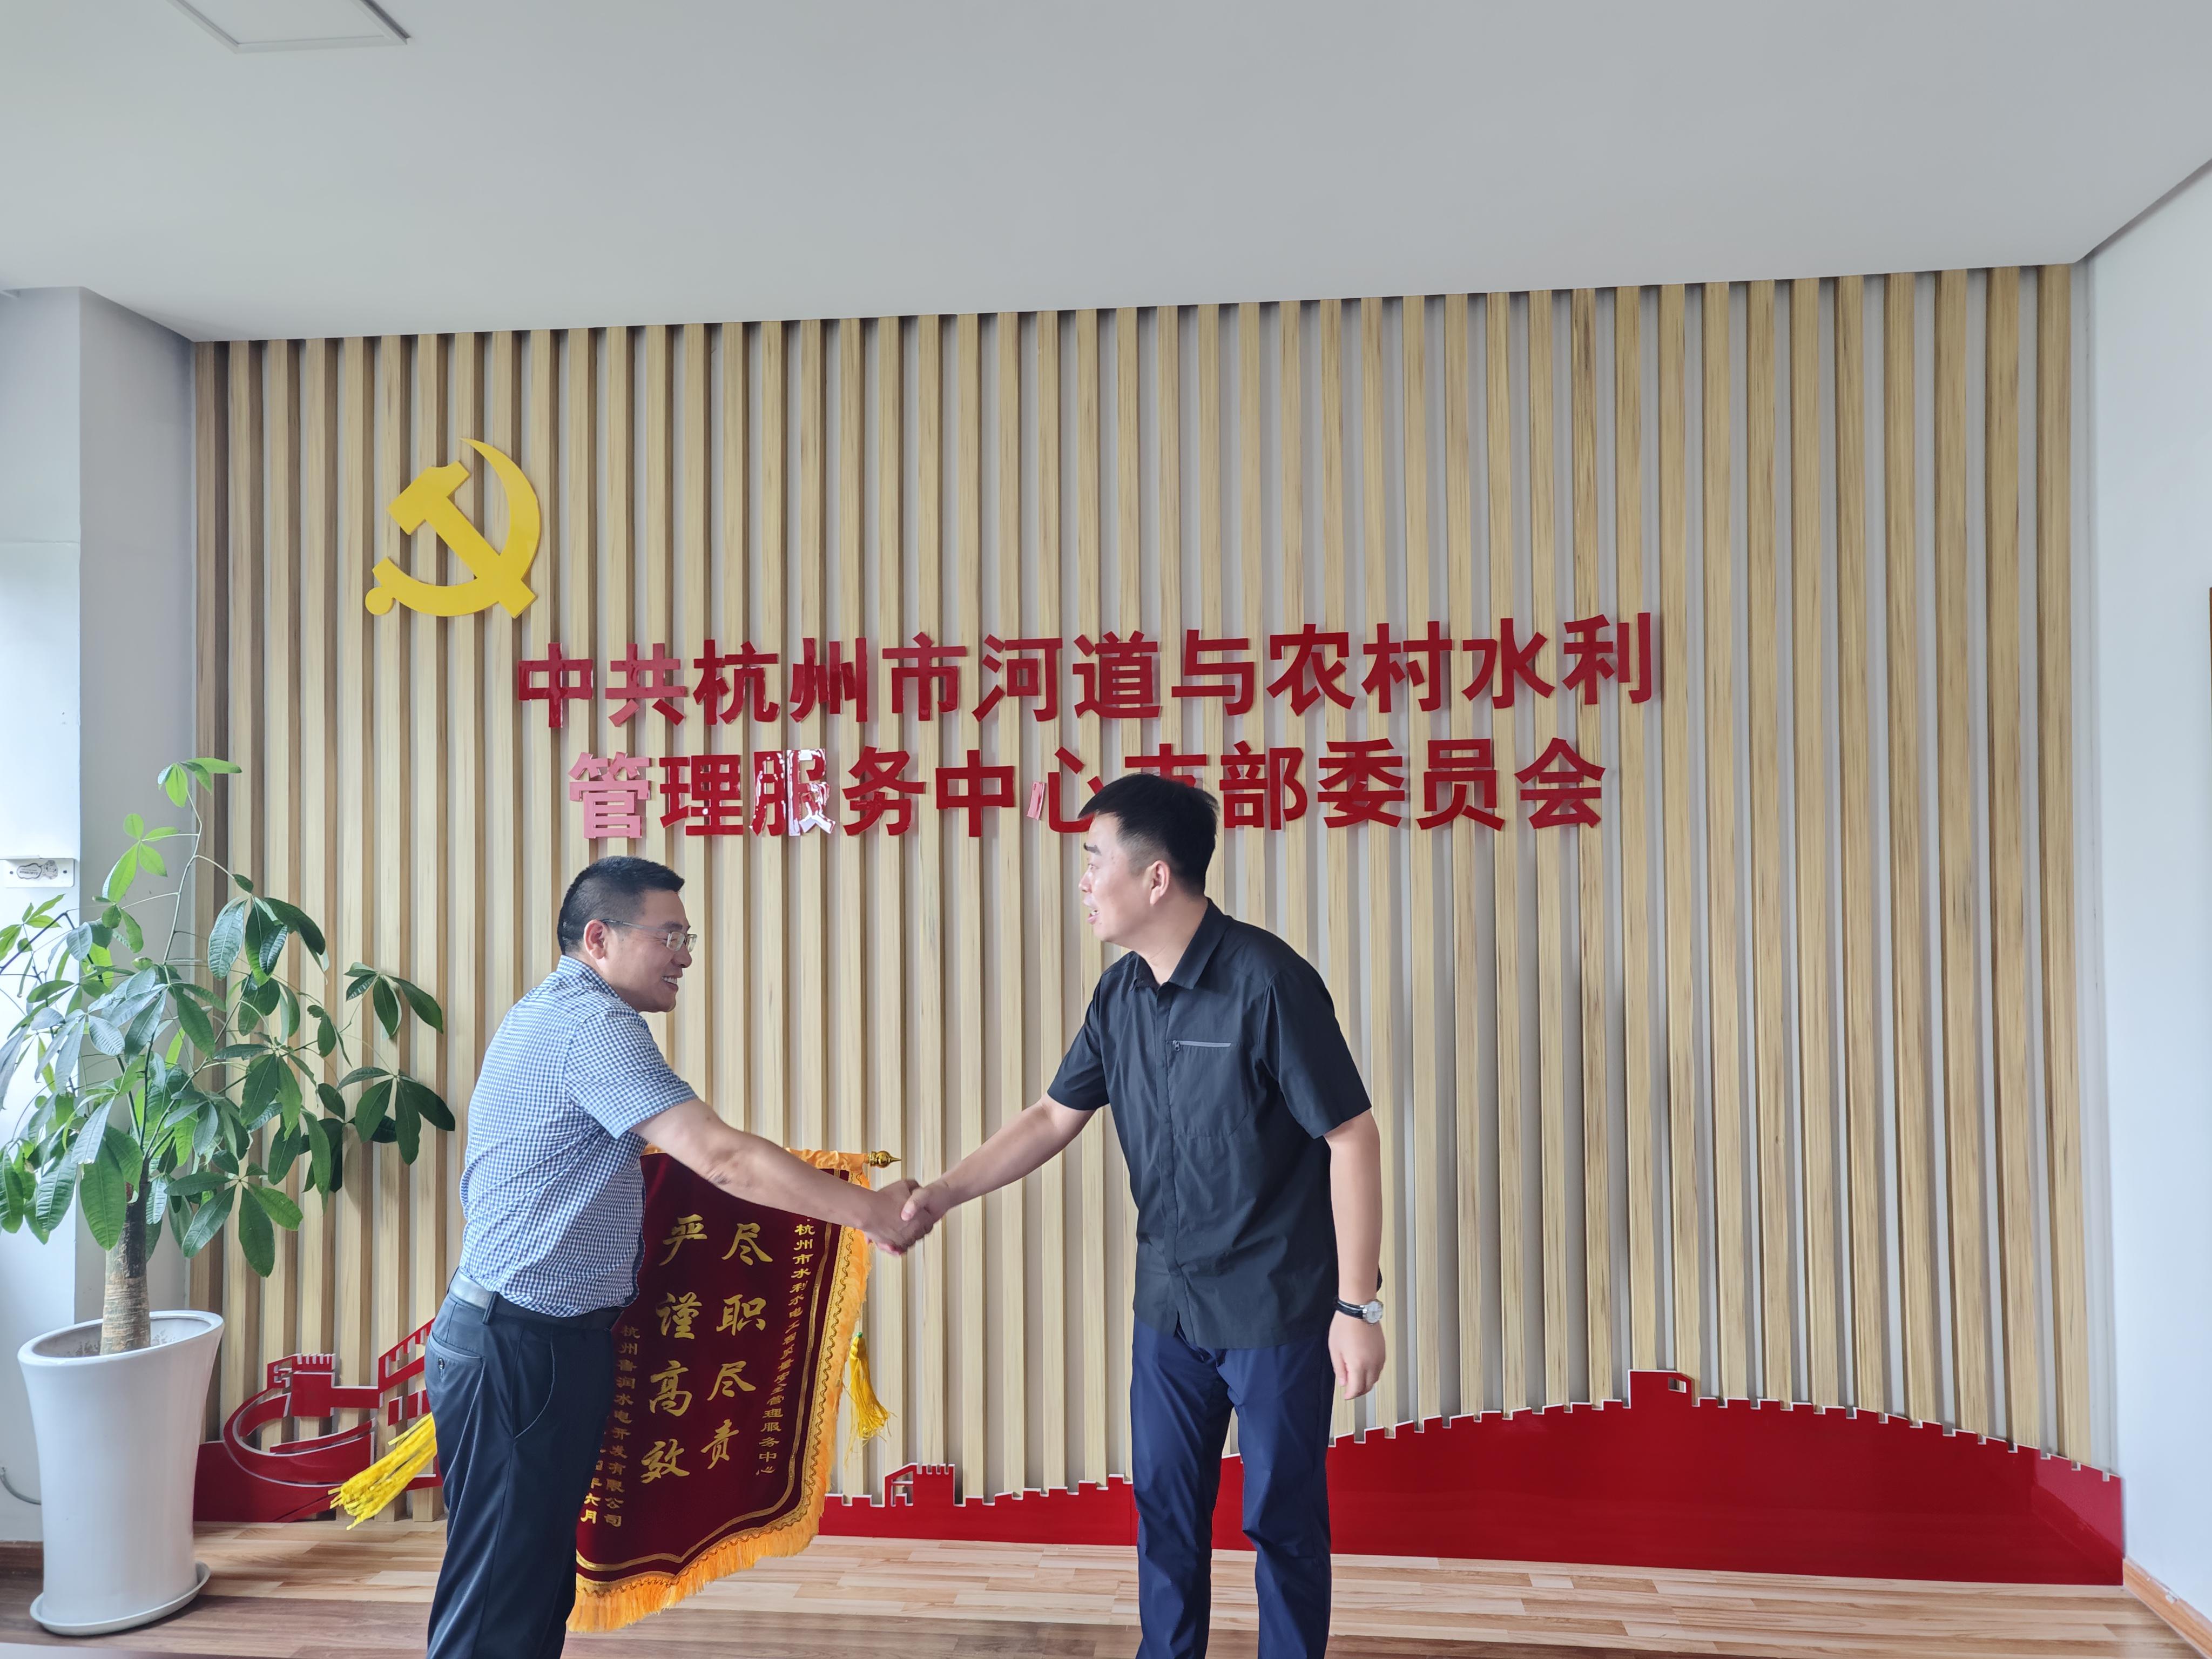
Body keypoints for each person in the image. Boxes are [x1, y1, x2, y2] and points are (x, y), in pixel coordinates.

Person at [901, 774, 1385, 1659]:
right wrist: (940, 1194)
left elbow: (1351, 1135)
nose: (1084, 882)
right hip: (1168, 1308)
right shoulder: (1119, 995)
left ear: (1156, 878)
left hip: (1276, 1305)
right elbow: (1051, 1117)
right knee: (1164, 1510)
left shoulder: (1268, 983)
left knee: (1281, 1520)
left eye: (1095, 861)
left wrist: (1357, 1307)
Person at [425, 855, 930, 1659]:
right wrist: (869, 1212)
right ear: (599, 938)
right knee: (498, 1596)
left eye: (686, 938)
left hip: (540, 1341)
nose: (685, 956)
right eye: (670, 936)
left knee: (532, 1584)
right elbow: (719, 1158)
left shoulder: (560, 1012)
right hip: (520, 1347)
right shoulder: (589, 1025)